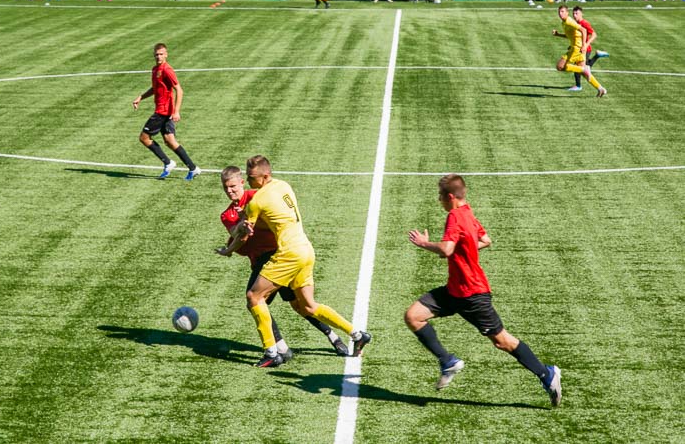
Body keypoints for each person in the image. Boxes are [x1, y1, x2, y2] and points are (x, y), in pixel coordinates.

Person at [404, 174, 562, 407]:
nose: (440, 201)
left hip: (472, 295)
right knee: (413, 316)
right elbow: (485, 240)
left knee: (502, 341)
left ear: (450, 196)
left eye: (440, 197)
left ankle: (546, 374)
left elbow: (447, 248)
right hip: (454, 291)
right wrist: (461, 250)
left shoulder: (456, 216)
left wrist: (424, 244)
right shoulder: (468, 212)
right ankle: (447, 361)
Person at [232, 155, 371, 367]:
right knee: (308, 306)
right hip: (306, 249)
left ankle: (271, 353)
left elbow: (245, 234)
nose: (249, 181)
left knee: (254, 297)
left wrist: (229, 248)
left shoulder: (257, 201)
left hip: (288, 253)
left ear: (265, 176)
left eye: (252, 178)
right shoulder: (284, 185)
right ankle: (357, 334)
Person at [216, 166, 349, 359]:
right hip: (260, 262)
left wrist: (229, 248)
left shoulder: (257, 197)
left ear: (242, 183)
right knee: (269, 303)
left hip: (279, 256)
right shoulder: (226, 214)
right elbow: (236, 233)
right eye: (226, 187)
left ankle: (326, 338)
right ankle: (283, 347)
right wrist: (240, 226)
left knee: (281, 303)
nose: (230, 191)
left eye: (233, 186)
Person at [132, 43, 201, 181]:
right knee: (170, 141)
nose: (158, 56)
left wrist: (176, 111)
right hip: (163, 111)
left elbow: (179, 90)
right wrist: (141, 97)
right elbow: (155, 88)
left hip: (163, 112)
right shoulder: (155, 69)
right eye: (156, 54)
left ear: (166, 54)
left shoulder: (167, 70)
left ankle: (168, 163)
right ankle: (193, 168)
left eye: (161, 54)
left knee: (144, 138)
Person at [552, 5, 607, 98]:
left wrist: (584, 45)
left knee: (560, 66)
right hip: (577, 48)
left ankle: (584, 69)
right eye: (559, 12)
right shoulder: (564, 22)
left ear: (566, 12)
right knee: (584, 74)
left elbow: (584, 30)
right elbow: (571, 35)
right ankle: (600, 88)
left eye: (562, 11)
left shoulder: (569, 21)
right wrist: (558, 34)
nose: (560, 14)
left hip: (577, 49)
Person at [568, 6, 609, 92]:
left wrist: (586, 45)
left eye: (577, 13)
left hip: (585, 49)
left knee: (579, 67)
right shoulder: (575, 23)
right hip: (579, 48)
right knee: (584, 67)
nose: (575, 15)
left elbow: (594, 34)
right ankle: (597, 56)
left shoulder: (584, 23)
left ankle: (578, 86)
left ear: (581, 14)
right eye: (574, 13)